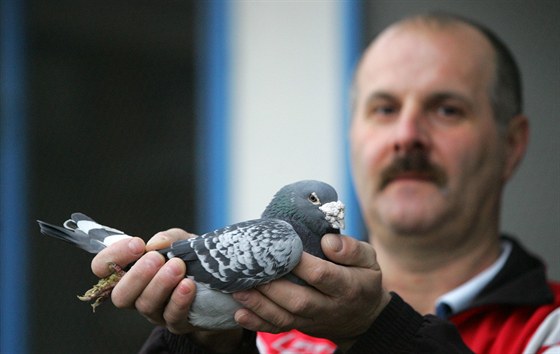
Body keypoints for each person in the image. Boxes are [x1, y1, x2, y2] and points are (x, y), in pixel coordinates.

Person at [91, 12, 560, 353]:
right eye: (384, 109)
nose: (407, 137)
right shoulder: (265, 328)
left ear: (512, 145)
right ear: (352, 134)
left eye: (447, 110)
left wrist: (378, 331)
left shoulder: (548, 331)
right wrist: (204, 340)